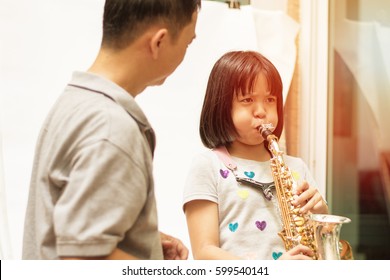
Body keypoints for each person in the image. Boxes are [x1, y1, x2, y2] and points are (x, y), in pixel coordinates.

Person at [22, 0, 201, 260]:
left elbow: (68, 229)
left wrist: (143, 240)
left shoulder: (75, 101)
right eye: (187, 43)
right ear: (159, 42)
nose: (185, 53)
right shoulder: (112, 129)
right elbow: (82, 260)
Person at [183, 50, 329, 260]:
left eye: (270, 99)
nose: (261, 111)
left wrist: (320, 212)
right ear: (221, 106)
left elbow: (321, 243)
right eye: (247, 99)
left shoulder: (297, 167)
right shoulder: (207, 166)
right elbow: (204, 252)